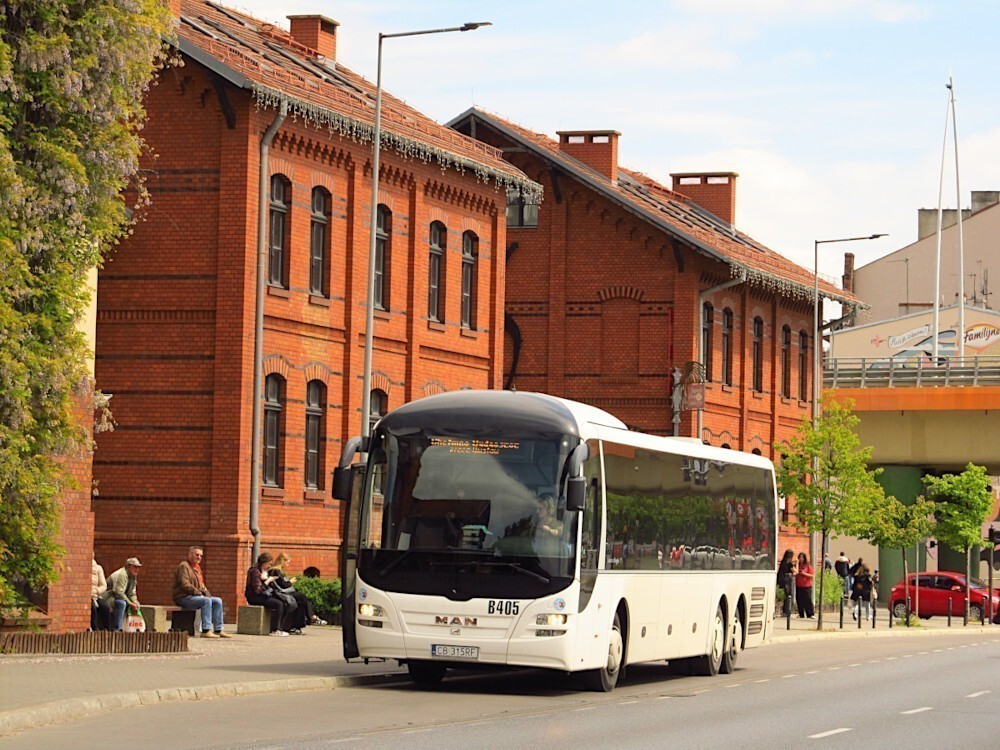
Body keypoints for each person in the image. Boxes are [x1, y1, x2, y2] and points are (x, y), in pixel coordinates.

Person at [173, 546, 232, 638]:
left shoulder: (197, 568)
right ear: (190, 555)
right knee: (206, 601)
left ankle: (218, 629)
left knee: (217, 601)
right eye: (197, 555)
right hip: (183, 597)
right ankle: (206, 630)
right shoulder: (184, 566)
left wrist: (207, 593)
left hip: (194, 596)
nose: (199, 557)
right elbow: (185, 584)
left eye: (201, 555)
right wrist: (199, 593)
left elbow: (201, 585)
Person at [271, 552, 326, 633]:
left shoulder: (277, 571)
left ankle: (296, 627)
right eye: (287, 562)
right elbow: (283, 585)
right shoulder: (275, 571)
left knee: (300, 604)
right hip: (280, 594)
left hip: (282, 592)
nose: (288, 565)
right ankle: (312, 617)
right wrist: (290, 582)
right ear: (283, 561)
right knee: (301, 597)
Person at [245, 552, 293, 636]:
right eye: (269, 564)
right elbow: (258, 590)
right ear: (264, 563)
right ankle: (274, 629)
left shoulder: (263, 571)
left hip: (263, 595)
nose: (270, 566)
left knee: (283, 601)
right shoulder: (255, 571)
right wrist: (268, 580)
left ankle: (280, 627)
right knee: (278, 604)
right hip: (254, 597)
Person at [102, 557, 142, 631]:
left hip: (119, 597)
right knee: (122, 603)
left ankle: (133, 629)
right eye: (134, 567)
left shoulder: (133, 577)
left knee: (137, 604)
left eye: (138, 567)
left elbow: (132, 593)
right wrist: (130, 603)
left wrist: (135, 602)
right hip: (108, 597)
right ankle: (117, 629)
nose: (137, 569)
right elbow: (118, 593)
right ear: (128, 567)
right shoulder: (122, 575)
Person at [91, 558, 110, 631]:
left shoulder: (98, 568)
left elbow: (104, 585)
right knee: (93, 607)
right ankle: (94, 628)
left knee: (105, 607)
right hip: (87, 595)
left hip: (96, 594)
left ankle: (107, 629)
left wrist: (96, 591)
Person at [795, 552, 815, 618]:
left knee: (807, 599)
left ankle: (810, 614)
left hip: (807, 585)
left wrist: (804, 574)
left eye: (802, 557)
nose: (801, 559)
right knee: (799, 600)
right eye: (800, 557)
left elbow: (812, 575)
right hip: (798, 585)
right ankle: (801, 614)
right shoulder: (797, 565)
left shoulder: (808, 566)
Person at [777, 549, 796, 616]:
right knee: (790, 596)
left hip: (783, 580)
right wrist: (797, 563)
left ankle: (785, 611)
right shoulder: (790, 564)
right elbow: (795, 571)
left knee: (786, 596)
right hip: (788, 580)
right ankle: (788, 611)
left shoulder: (783, 562)